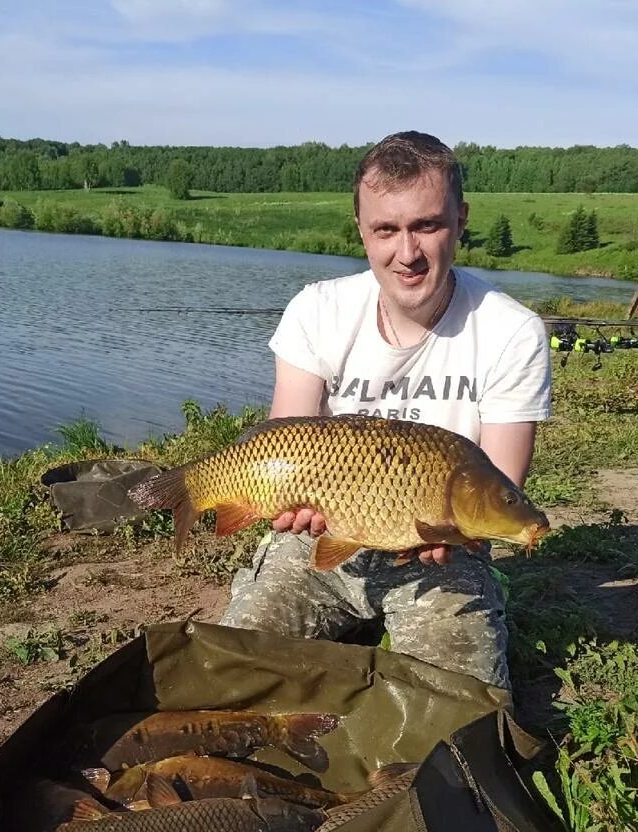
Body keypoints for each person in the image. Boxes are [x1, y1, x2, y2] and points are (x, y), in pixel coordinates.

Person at [219, 131, 552, 692]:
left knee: (460, 710)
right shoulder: (318, 310)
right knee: (234, 672)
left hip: (442, 557)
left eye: (427, 225)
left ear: (461, 219)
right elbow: (282, 442)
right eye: (386, 230)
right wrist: (287, 507)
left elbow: (500, 485)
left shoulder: (512, 331)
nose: (407, 253)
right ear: (361, 230)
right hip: (321, 540)